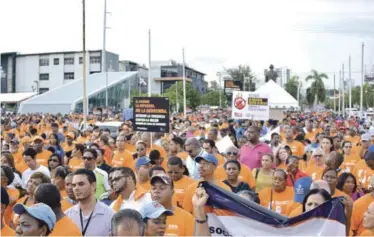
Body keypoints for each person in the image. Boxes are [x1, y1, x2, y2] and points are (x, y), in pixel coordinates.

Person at [65, 169, 115, 236]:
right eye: (74, 185)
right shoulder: (67, 215)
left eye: (81, 184)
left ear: (93, 186)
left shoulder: (110, 216)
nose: (76, 188)